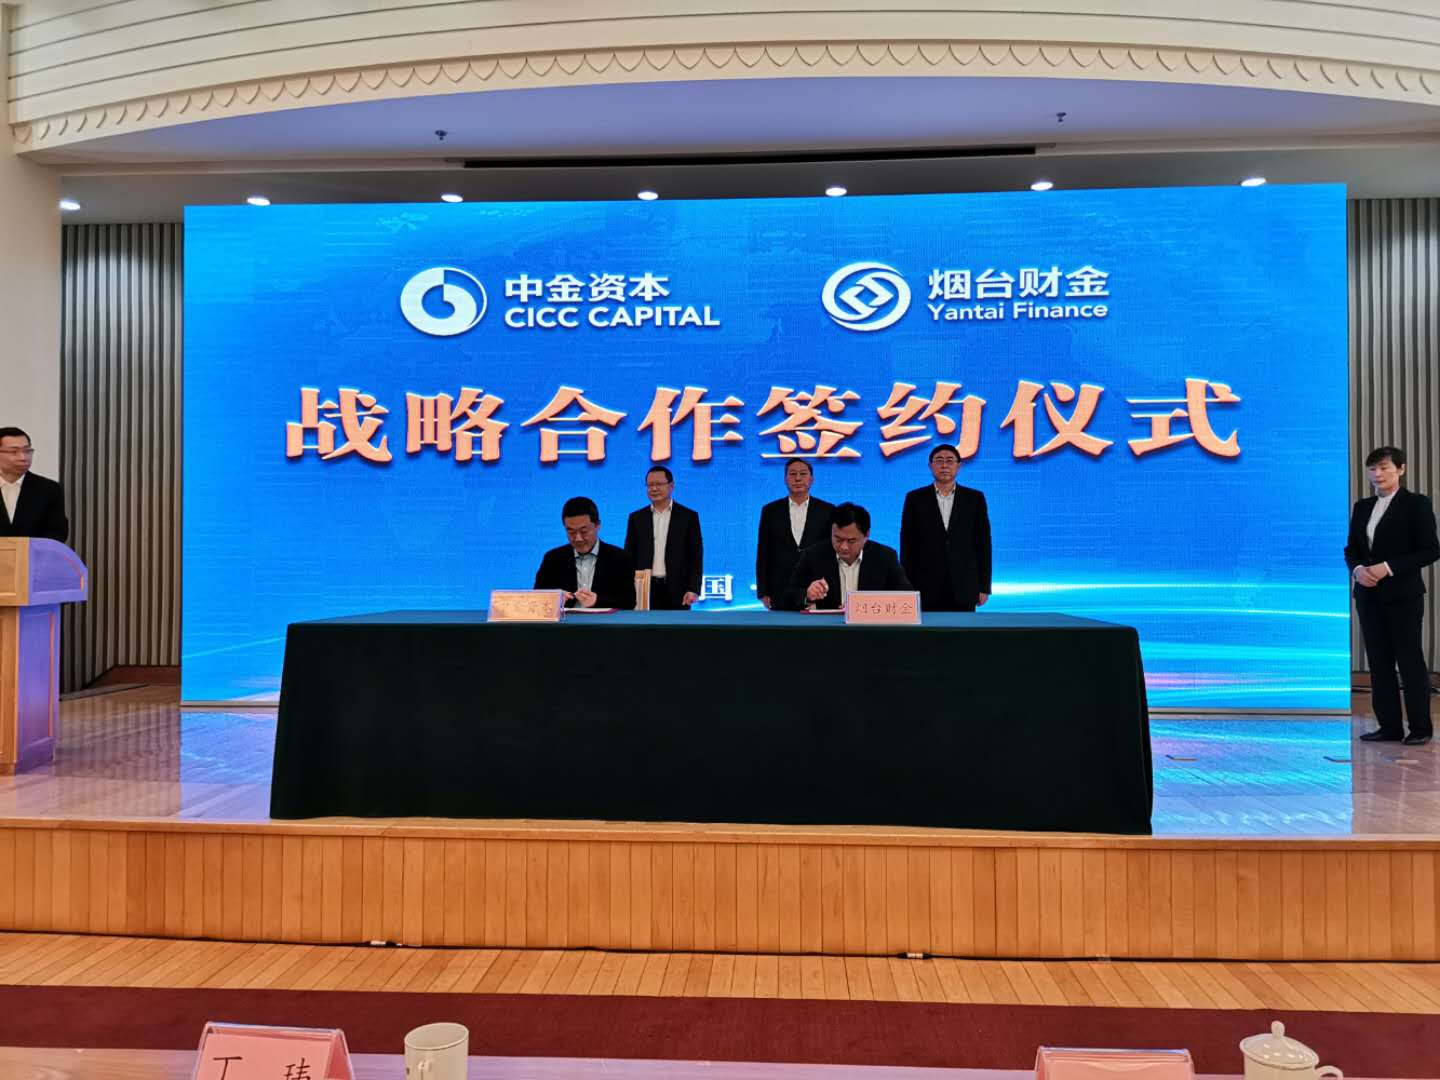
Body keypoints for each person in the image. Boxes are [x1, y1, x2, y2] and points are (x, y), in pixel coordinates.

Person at [1345, 446, 1439, 745]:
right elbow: (1352, 549)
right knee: (1379, 661)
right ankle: (1389, 726)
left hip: (1403, 595)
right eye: (1373, 469)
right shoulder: (1362, 507)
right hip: (1368, 596)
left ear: (1401, 469)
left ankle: (1420, 728)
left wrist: (1387, 568)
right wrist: (1358, 570)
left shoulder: (1416, 504)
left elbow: (1430, 550)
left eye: (1384, 468)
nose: (1378, 474)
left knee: (1409, 661)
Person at [899, 443, 991, 612]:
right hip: (925, 584)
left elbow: (983, 544)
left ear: (958, 466)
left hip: (964, 584)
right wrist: (906, 586)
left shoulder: (974, 498)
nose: (944, 465)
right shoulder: (915, 498)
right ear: (930, 466)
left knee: (963, 627)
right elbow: (908, 545)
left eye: (950, 461)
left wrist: (984, 586)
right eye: (939, 460)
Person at [780, 502, 911, 611]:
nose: (843, 547)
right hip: (827, 629)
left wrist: (864, 606)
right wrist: (807, 595)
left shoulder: (885, 557)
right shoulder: (813, 555)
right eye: (838, 539)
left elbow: (907, 597)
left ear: (866, 535)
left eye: (851, 541)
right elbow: (786, 597)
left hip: (870, 629)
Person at [755, 458, 834, 610]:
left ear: (811, 479)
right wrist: (763, 591)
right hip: (779, 589)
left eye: (803, 474)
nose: (798, 478)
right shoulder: (770, 511)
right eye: (792, 474)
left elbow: (830, 552)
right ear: (785, 479)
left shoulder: (827, 510)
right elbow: (763, 552)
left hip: (816, 588)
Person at [534, 496, 636, 609]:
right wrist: (554, 598)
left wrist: (597, 601)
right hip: (566, 620)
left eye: (584, 531)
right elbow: (537, 597)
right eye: (571, 532)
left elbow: (629, 602)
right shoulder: (553, 558)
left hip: (603, 620)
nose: (578, 538)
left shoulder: (620, 558)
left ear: (597, 525)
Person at [624, 465, 703, 609]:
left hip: (678, 590)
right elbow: (629, 556)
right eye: (650, 485)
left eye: (659, 484)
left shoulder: (688, 517)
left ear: (671, 486)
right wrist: (628, 587)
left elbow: (695, 556)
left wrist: (694, 588)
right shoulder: (637, 518)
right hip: (645, 589)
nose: (654, 489)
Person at [0, 427, 68, 543]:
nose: (23, 457)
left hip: (34, 554)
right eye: (14, 452)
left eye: (27, 451)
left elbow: (57, 532)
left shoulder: (49, 489)